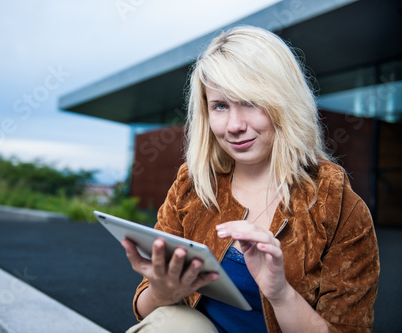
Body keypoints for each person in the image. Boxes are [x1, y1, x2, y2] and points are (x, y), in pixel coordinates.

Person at [122, 25, 380, 333]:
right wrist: (163, 292)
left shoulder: (338, 206)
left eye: (249, 102)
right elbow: (145, 310)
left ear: (285, 103)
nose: (233, 126)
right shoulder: (192, 184)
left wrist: (281, 294)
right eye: (220, 105)